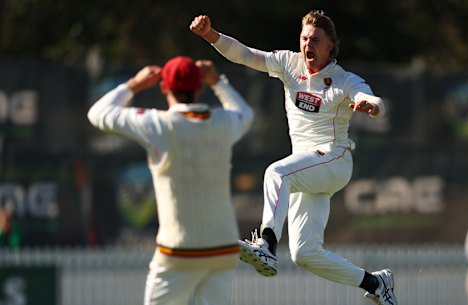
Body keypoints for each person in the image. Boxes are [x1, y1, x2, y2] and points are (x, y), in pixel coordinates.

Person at [190, 10, 397, 305]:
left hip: (334, 161)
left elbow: (368, 96)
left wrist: (371, 106)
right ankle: (376, 283)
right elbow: (246, 55)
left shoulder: (343, 79)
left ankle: (266, 244)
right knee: (305, 254)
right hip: (308, 168)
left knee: (277, 173)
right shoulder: (290, 63)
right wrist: (210, 35)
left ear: (330, 46)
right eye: (304, 38)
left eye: (315, 39)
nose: (307, 44)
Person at [87, 57, 254, 305]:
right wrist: (217, 81)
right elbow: (245, 113)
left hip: (179, 251)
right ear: (199, 88)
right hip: (223, 247)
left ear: (165, 88)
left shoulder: (158, 124)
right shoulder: (223, 122)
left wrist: (134, 84)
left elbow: (97, 114)